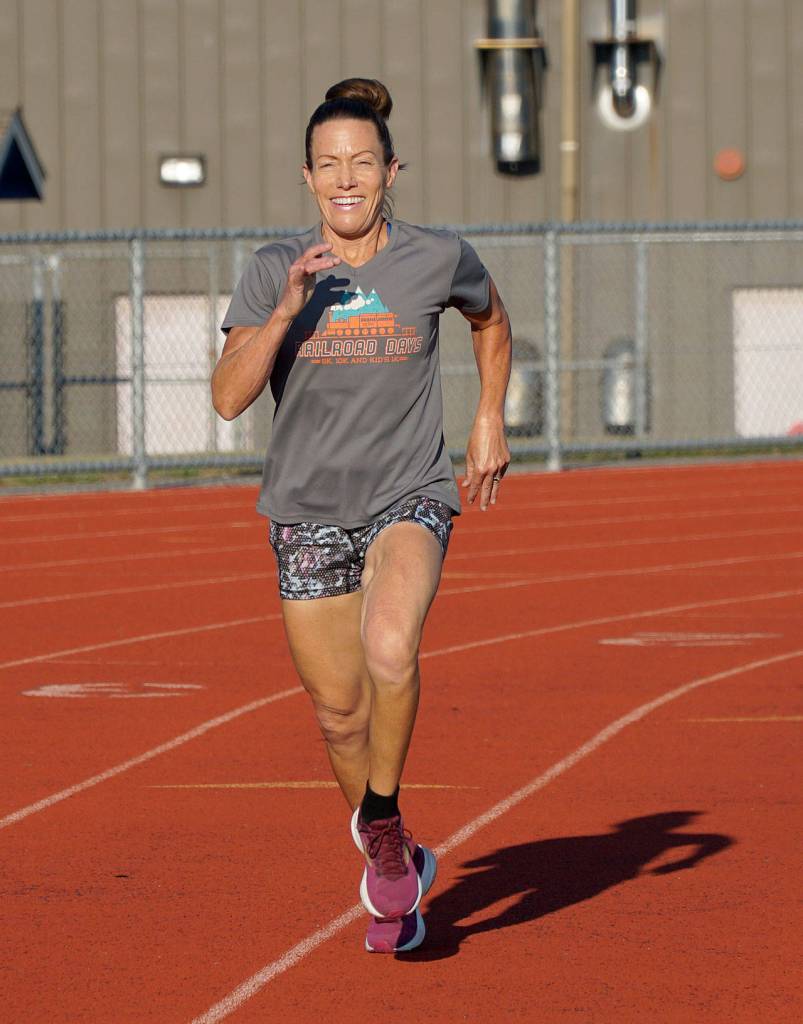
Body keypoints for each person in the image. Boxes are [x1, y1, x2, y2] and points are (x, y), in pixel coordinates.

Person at [213, 78, 511, 954]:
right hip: (305, 511)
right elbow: (230, 399)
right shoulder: (272, 268)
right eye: (330, 166)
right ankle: (392, 850)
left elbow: (489, 321)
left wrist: (489, 416)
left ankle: (377, 814)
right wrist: (282, 312)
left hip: (407, 492)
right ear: (307, 179)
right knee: (339, 713)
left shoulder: (435, 256)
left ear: (390, 172)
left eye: (364, 163)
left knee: (391, 646)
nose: (348, 179)